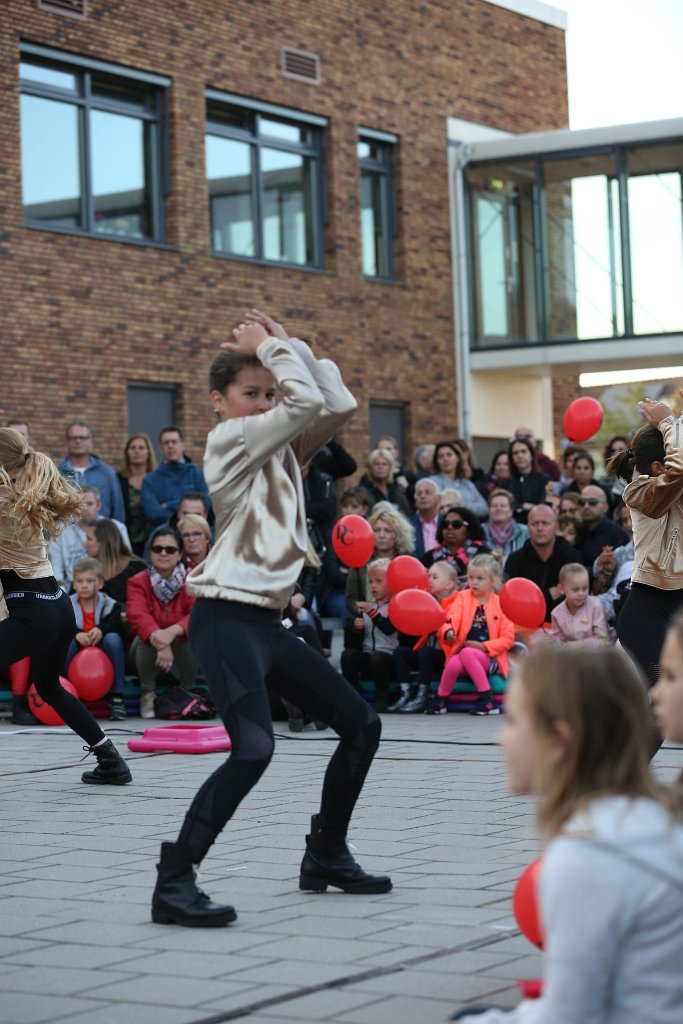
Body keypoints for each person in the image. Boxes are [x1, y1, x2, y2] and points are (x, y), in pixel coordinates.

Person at [150, 308, 391, 930]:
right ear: (218, 402)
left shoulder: (280, 447)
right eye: (249, 394)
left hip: (265, 625)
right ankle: (175, 879)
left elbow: (333, 400)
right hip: (224, 620)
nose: (263, 403)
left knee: (360, 725)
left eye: (267, 394)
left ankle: (327, 855)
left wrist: (287, 344)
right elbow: (305, 397)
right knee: (254, 749)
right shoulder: (230, 441)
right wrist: (279, 355)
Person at [452, 643, 683, 1024]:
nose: (501, 738)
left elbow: (571, 1015)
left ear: (558, 742)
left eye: (512, 722)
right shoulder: (653, 815)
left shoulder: (586, 857)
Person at [0, 427, 131, 784]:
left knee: (49, 687)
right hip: (58, 606)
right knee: (50, 687)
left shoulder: (5, 502)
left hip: (34, 612)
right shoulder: (26, 493)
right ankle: (112, 761)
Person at [607, 392, 683, 698]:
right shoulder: (639, 492)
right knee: (665, 699)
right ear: (657, 468)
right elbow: (679, 469)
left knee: (662, 709)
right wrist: (667, 421)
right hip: (646, 614)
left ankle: (620, 746)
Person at [427, 553, 514, 716]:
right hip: (465, 654)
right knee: (453, 663)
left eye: (480, 578)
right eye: (471, 577)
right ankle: (441, 699)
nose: (474, 582)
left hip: (490, 659)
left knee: (467, 652)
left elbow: (508, 639)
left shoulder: (501, 604)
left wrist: (484, 646)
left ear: (493, 581)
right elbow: (450, 618)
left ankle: (487, 699)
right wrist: (449, 631)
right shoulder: (462, 597)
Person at [126, 526, 197, 719]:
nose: (163, 553)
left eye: (170, 549)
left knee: (191, 638)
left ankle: (188, 692)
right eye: (158, 549)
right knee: (145, 639)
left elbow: (196, 614)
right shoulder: (137, 581)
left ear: (180, 554)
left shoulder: (192, 580)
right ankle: (148, 693)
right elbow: (136, 614)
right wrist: (160, 638)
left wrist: (171, 632)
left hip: (180, 644)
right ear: (150, 553)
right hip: (146, 650)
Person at [64, 557, 129, 721]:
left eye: (89, 581)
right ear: (73, 583)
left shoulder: (110, 604)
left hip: (101, 658)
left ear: (100, 583)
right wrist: (76, 633)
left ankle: (117, 698)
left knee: (113, 639)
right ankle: (64, 694)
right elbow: (61, 627)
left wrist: (101, 629)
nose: (84, 585)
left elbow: (119, 626)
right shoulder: (66, 604)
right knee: (66, 641)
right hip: (77, 655)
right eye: (80, 581)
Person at [391, 561, 460, 714]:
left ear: (449, 584)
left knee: (426, 652)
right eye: (428, 576)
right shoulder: (429, 600)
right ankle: (406, 693)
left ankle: (422, 697)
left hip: (448, 655)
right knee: (401, 652)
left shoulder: (458, 602)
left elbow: (451, 625)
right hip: (428, 653)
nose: (429, 580)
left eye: (434, 577)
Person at [504, 505, 580, 622]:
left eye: (545, 523)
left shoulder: (571, 556)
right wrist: (550, 593)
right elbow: (512, 599)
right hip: (524, 623)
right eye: (534, 524)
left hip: (566, 624)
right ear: (528, 527)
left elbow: (576, 593)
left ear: (556, 527)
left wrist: (533, 597)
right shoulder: (515, 559)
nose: (540, 528)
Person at [341, 558, 398, 713]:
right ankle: (354, 694)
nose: (373, 585)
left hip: (389, 658)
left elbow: (389, 628)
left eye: (379, 581)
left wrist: (372, 613)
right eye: (371, 581)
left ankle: (383, 697)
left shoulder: (396, 606)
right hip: (369, 655)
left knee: (377, 658)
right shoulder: (368, 606)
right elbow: (357, 640)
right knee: (348, 655)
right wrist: (357, 630)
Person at [48, 485, 131, 590]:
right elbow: (56, 570)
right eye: (80, 505)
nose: (84, 509)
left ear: (99, 505)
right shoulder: (60, 531)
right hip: (72, 591)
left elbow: (126, 562)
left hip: (112, 587)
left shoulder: (117, 528)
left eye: (89, 504)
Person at [141, 426, 210, 530]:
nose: (170, 446)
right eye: (166, 443)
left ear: (183, 445)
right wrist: (190, 510)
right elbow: (154, 514)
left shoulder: (199, 476)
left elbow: (207, 504)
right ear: (160, 448)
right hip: (164, 540)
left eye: (174, 442)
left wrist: (169, 505)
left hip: (195, 536)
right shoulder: (150, 481)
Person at [57, 421, 124, 521]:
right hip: (65, 533)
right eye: (73, 438)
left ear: (91, 441)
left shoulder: (107, 474)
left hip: (100, 533)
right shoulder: (56, 474)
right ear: (66, 442)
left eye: (83, 437)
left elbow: (118, 512)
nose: (78, 441)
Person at [82, 518, 146, 606]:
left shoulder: (137, 569)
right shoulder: (86, 570)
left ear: (103, 542)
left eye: (89, 539)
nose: (85, 544)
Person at [548, 563, 610, 646]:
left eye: (585, 588)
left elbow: (603, 640)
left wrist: (581, 644)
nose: (581, 593)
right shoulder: (556, 613)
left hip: (597, 655)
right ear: (561, 589)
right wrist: (553, 641)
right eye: (575, 589)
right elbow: (560, 641)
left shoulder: (596, 607)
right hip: (573, 656)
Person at [422, 506, 490, 579]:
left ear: (469, 529)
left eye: (456, 524)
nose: (450, 527)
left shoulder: (485, 556)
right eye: (445, 524)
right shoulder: (428, 558)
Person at [117, 433, 156, 555]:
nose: (136, 451)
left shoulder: (156, 479)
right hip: (126, 539)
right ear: (127, 453)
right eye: (132, 448)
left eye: (141, 448)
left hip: (152, 538)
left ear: (148, 452)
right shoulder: (119, 479)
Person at [575, 484, 630, 570]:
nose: (586, 506)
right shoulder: (574, 529)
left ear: (605, 507)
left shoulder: (617, 534)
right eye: (582, 502)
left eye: (592, 502)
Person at [428, 441, 488, 519]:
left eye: (449, 455)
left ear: (458, 458)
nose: (445, 459)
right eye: (441, 456)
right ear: (437, 461)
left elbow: (484, 509)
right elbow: (437, 508)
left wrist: (459, 503)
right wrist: (472, 504)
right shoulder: (432, 483)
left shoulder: (467, 484)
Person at [507, 437, 551, 523]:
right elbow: (508, 505)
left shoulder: (544, 480)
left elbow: (545, 504)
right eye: (515, 453)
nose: (520, 456)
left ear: (531, 454)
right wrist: (523, 505)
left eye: (523, 451)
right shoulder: (507, 483)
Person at [358, 448, 412, 516]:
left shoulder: (396, 488)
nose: (380, 467)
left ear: (390, 468)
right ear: (370, 468)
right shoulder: (364, 490)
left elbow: (406, 512)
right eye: (376, 464)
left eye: (384, 464)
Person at [482, 489, 529, 563]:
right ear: (489, 510)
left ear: (511, 510)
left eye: (503, 506)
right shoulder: (479, 531)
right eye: (494, 506)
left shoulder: (525, 532)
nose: (498, 508)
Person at [410, 477, 442, 558]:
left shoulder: (447, 523)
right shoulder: (408, 525)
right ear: (415, 499)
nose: (423, 496)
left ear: (438, 499)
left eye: (428, 492)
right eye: (419, 493)